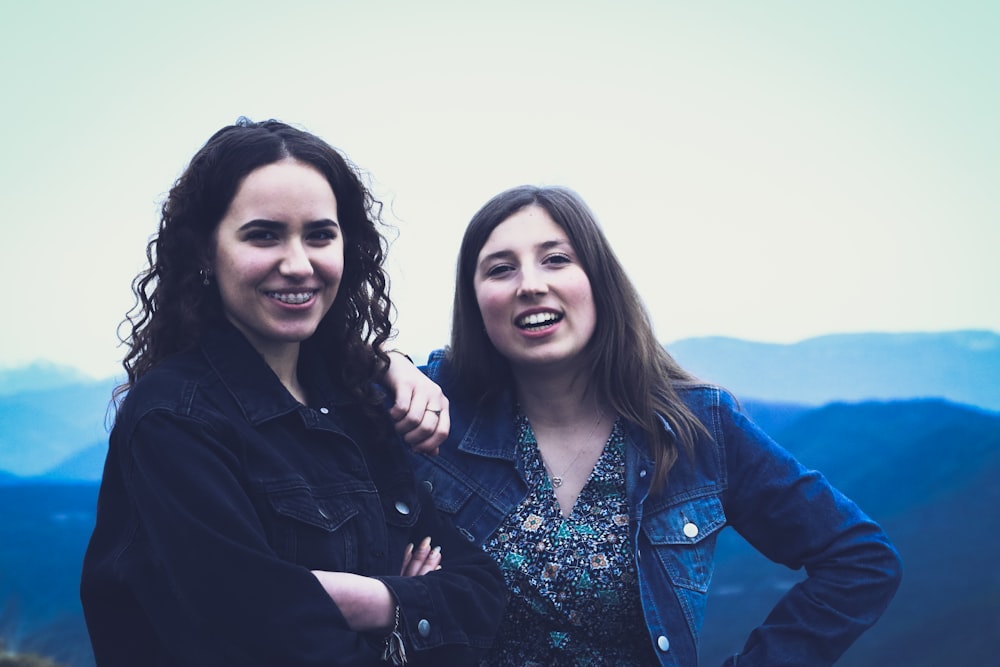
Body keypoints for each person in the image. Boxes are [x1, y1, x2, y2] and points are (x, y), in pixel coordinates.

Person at [387, 185, 902, 666]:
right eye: (500, 270)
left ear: (599, 281)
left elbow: (860, 560)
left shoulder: (698, 427)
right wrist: (387, 361)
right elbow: (321, 373)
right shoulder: (434, 407)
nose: (531, 284)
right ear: (475, 303)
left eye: (557, 259)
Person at [80, 118, 505, 666]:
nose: (298, 264)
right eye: (263, 235)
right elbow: (258, 636)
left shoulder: (359, 405)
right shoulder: (175, 421)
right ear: (206, 252)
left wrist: (373, 599)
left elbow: (479, 591)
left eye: (319, 235)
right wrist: (409, 609)